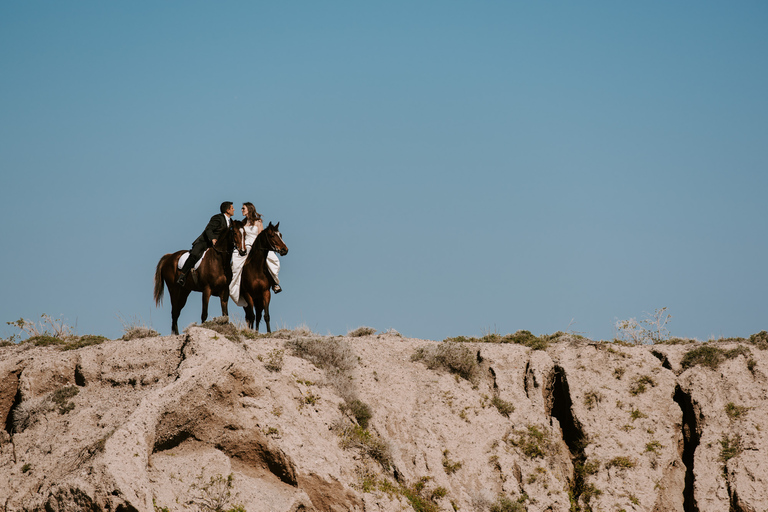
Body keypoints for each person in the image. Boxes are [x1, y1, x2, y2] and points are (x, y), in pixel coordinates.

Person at [229, 203, 282, 306]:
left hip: (257, 246)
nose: (241, 210)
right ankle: (237, 284)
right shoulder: (243, 223)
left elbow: (261, 235)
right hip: (246, 245)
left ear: (249, 209)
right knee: (235, 262)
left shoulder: (258, 221)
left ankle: (274, 283)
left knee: (272, 259)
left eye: (243, 208)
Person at [176, 201, 235, 286]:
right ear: (227, 210)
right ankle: (183, 275)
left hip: (218, 246)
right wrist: (213, 238)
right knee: (194, 254)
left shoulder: (231, 222)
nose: (234, 209)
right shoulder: (217, 218)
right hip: (205, 241)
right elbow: (209, 229)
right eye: (232, 208)